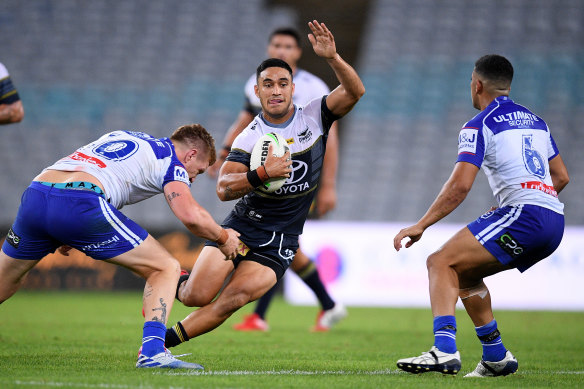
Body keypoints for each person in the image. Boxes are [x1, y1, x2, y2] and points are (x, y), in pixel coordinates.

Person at [164, 20, 364, 353]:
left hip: (282, 240)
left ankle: (159, 343)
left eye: (282, 84)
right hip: (242, 230)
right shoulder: (250, 136)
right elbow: (224, 189)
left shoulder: (314, 116)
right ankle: (172, 278)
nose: (275, 90)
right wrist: (261, 174)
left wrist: (333, 58)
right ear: (257, 92)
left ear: (292, 89)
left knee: (231, 301)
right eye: (268, 84)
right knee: (195, 296)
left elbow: (355, 92)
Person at [0, 124, 241, 369]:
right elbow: (190, 215)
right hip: (81, 200)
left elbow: (100, 170)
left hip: (37, 194)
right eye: (198, 171)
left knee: (5, 281)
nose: (192, 177)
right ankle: (154, 352)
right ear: (190, 155)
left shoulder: (123, 136)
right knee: (165, 268)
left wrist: (64, 226)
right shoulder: (172, 161)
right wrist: (223, 238)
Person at [393, 54, 569, 377]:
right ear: (508, 86)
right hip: (554, 223)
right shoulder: (537, 122)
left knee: (439, 261)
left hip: (524, 216)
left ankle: (444, 350)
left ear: (477, 86)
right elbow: (561, 177)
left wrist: (421, 225)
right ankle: (496, 356)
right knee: (466, 273)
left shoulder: (480, 124)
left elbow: (459, 187)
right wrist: (529, 199)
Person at [210, 27, 346, 333]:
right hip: (267, 177)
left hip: (297, 177)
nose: (282, 50)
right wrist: (224, 152)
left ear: (298, 52)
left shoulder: (313, 88)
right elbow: (245, 119)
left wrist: (328, 185)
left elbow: (330, 137)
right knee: (285, 247)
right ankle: (328, 305)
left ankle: (263, 315)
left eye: (288, 45)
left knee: (277, 244)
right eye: (276, 44)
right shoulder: (254, 84)